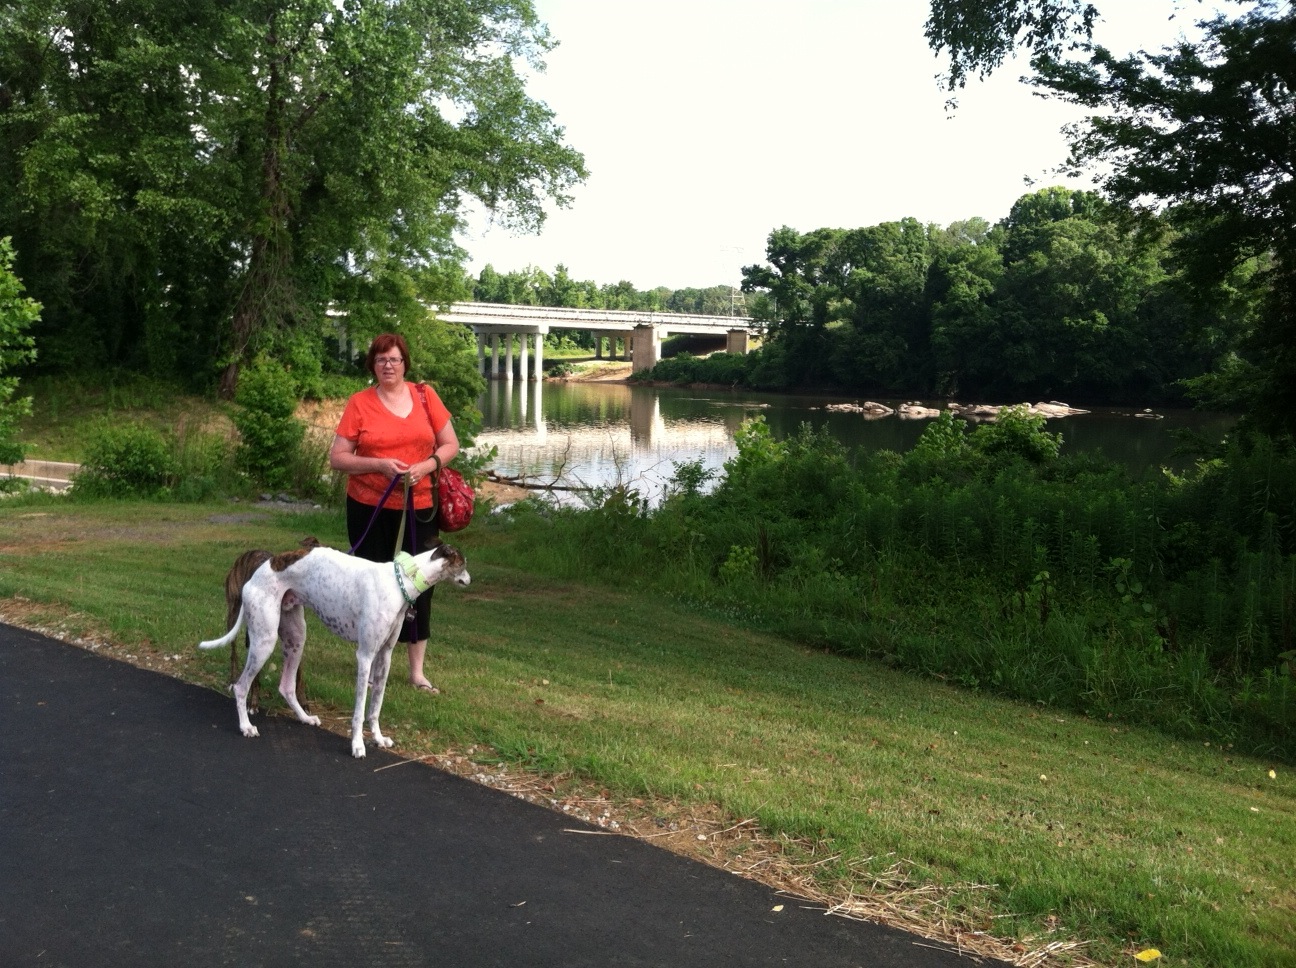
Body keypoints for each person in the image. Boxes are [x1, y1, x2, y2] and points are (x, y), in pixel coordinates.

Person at [329, 333, 459, 694]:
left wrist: (428, 465)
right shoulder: (359, 403)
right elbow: (337, 458)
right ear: (373, 364)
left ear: (405, 364)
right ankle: (370, 664)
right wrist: (379, 465)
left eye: (395, 359)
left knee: (420, 586)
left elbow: (451, 444)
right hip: (368, 507)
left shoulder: (425, 396)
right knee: (373, 588)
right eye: (382, 359)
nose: (389, 365)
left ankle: (416, 671)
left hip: (419, 508)